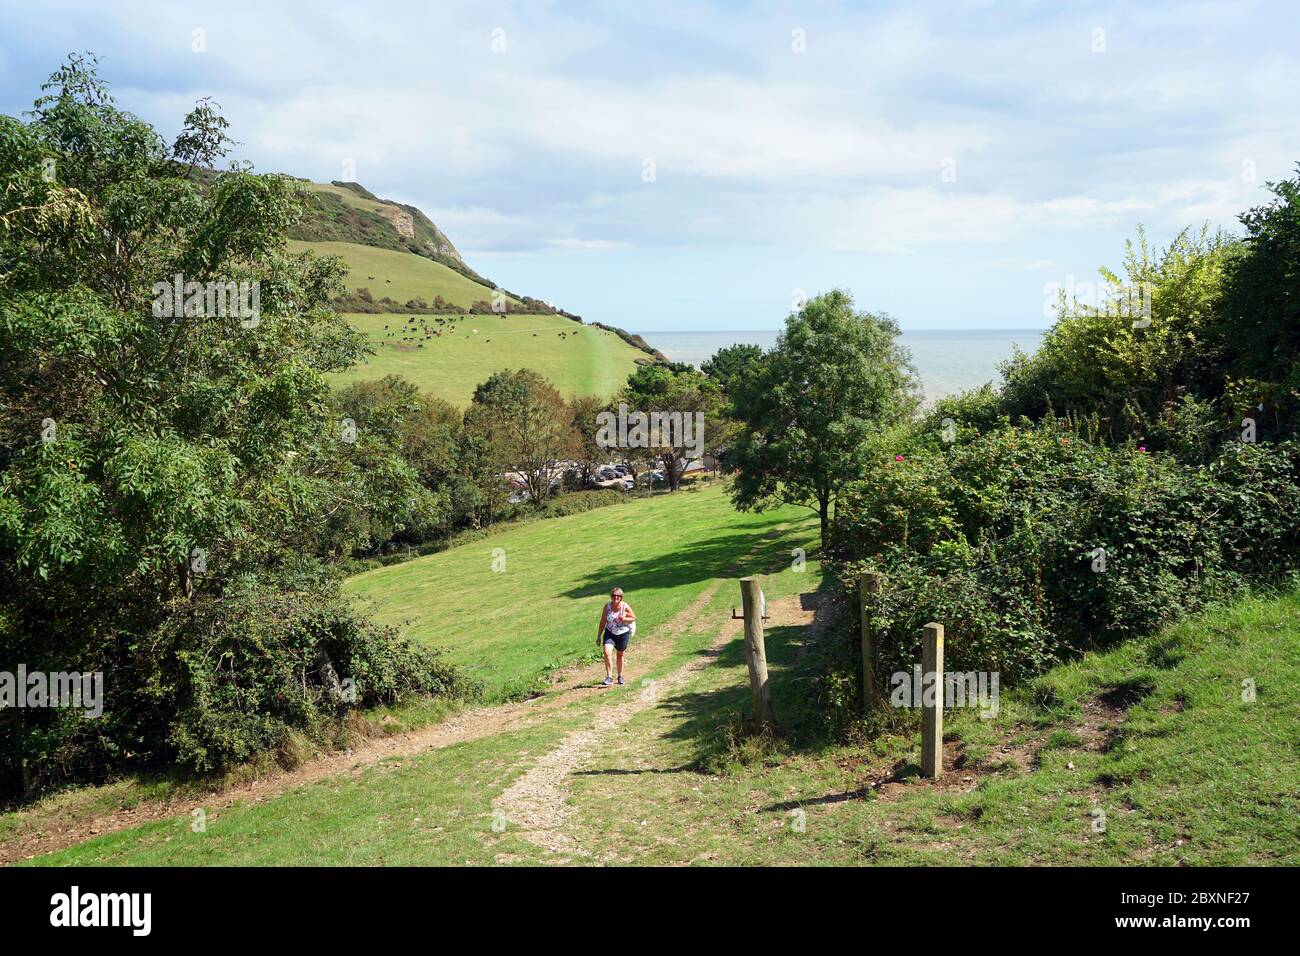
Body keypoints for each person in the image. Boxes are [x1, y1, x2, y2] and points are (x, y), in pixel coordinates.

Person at [597, 587, 636, 686]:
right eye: (614, 595)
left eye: (618, 596)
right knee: (606, 652)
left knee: (620, 654)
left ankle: (620, 676)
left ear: (621, 597)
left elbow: (633, 618)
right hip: (609, 632)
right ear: (611, 596)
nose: (616, 597)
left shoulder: (625, 606)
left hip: (622, 633)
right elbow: (602, 621)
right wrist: (599, 636)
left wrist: (624, 618)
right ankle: (609, 677)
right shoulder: (607, 607)